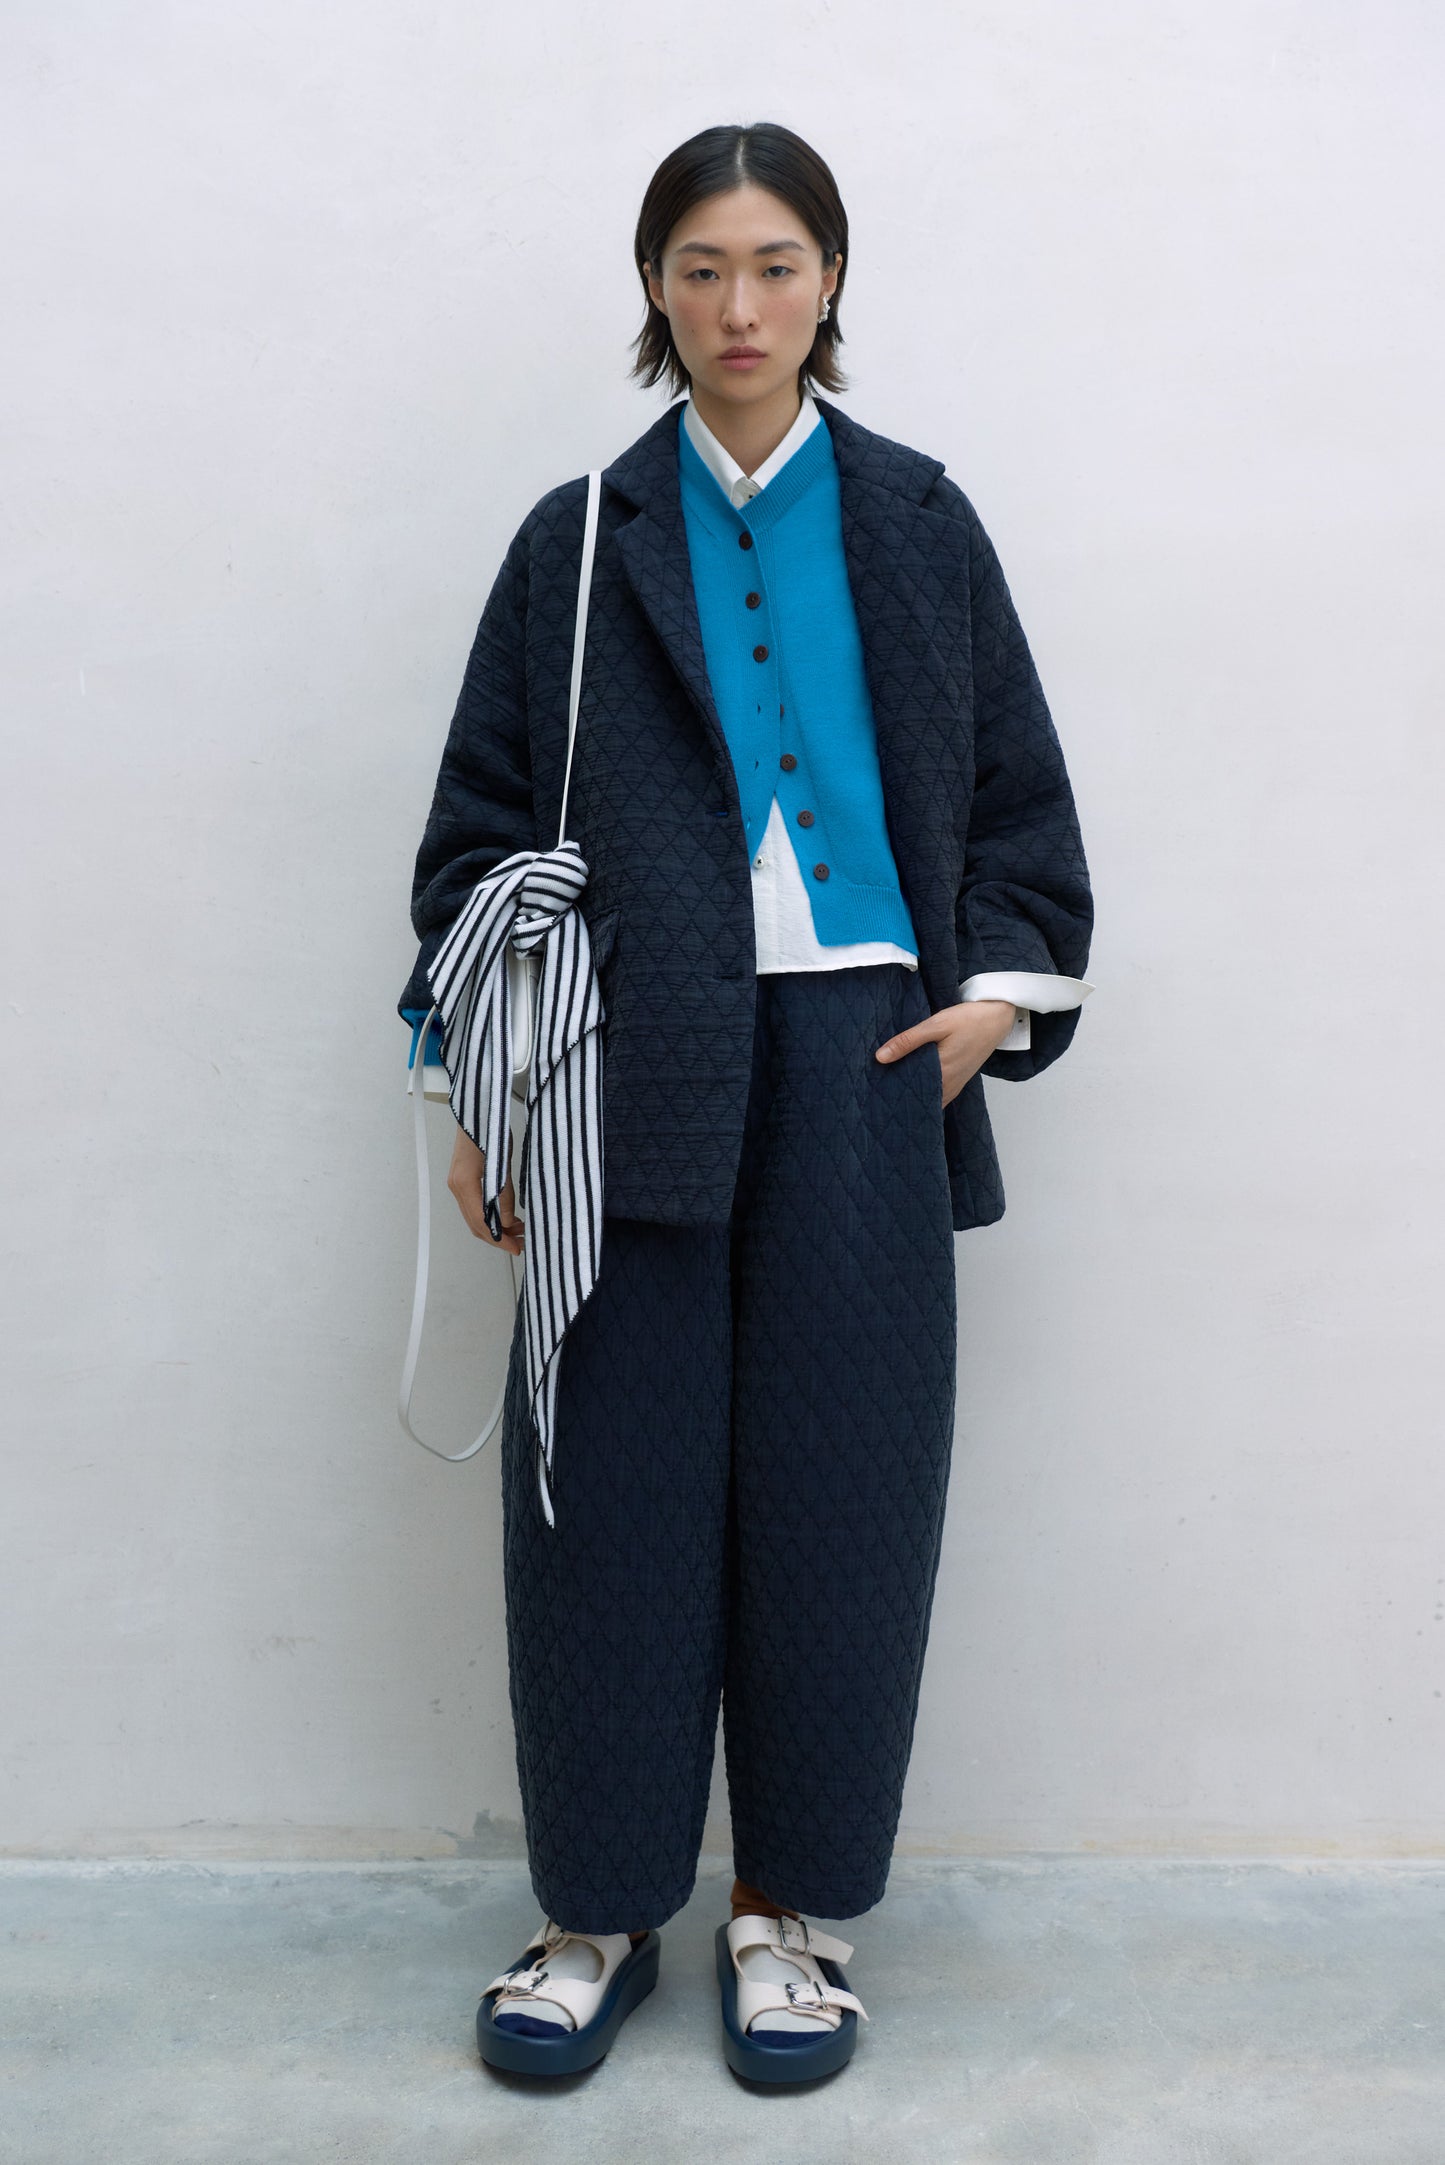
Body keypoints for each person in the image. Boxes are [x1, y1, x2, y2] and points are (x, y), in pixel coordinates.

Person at [399, 120, 1093, 2084]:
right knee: (607, 1500)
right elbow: (473, 839)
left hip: (867, 1069)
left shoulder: (922, 522)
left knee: (841, 1496)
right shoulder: (576, 541)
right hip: (623, 1073)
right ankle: (599, 1911)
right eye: (700, 267)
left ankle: (792, 1915)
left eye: (776, 264)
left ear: (830, 280)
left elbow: (1023, 802)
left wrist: (993, 997)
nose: (738, 305)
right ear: (655, 288)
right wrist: (487, 1089)